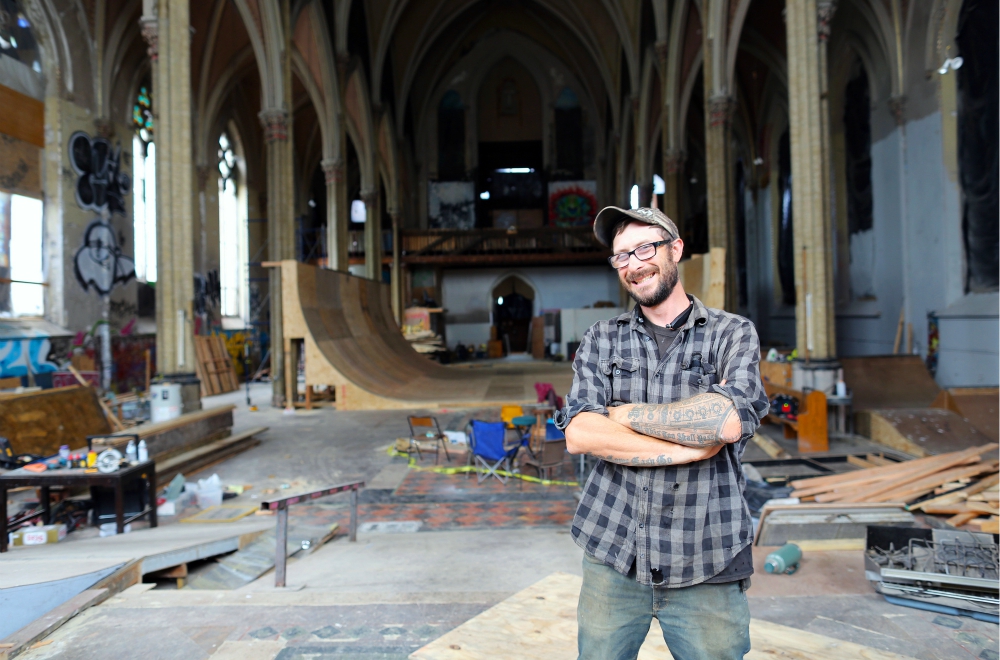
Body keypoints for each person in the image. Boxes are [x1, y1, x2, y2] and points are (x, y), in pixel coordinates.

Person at [555, 206, 769, 660]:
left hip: (707, 555)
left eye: (644, 248)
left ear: (675, 249)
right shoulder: (601, 339)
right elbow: (580, 434)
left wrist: (623, 414)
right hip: (613, 555)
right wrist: (689, 448)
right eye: (621, 256)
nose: (634, 264)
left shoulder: (732, 335)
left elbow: (726, 421)